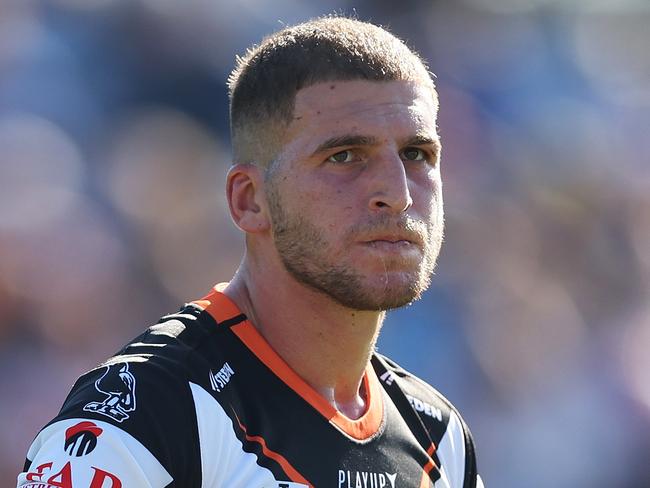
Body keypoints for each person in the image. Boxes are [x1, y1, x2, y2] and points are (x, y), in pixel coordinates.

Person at [17, 16, 482, 488]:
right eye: (344, 156)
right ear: (249, 200)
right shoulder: (153, 412)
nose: (397, 193)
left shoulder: (438, 439)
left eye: (417, 154)